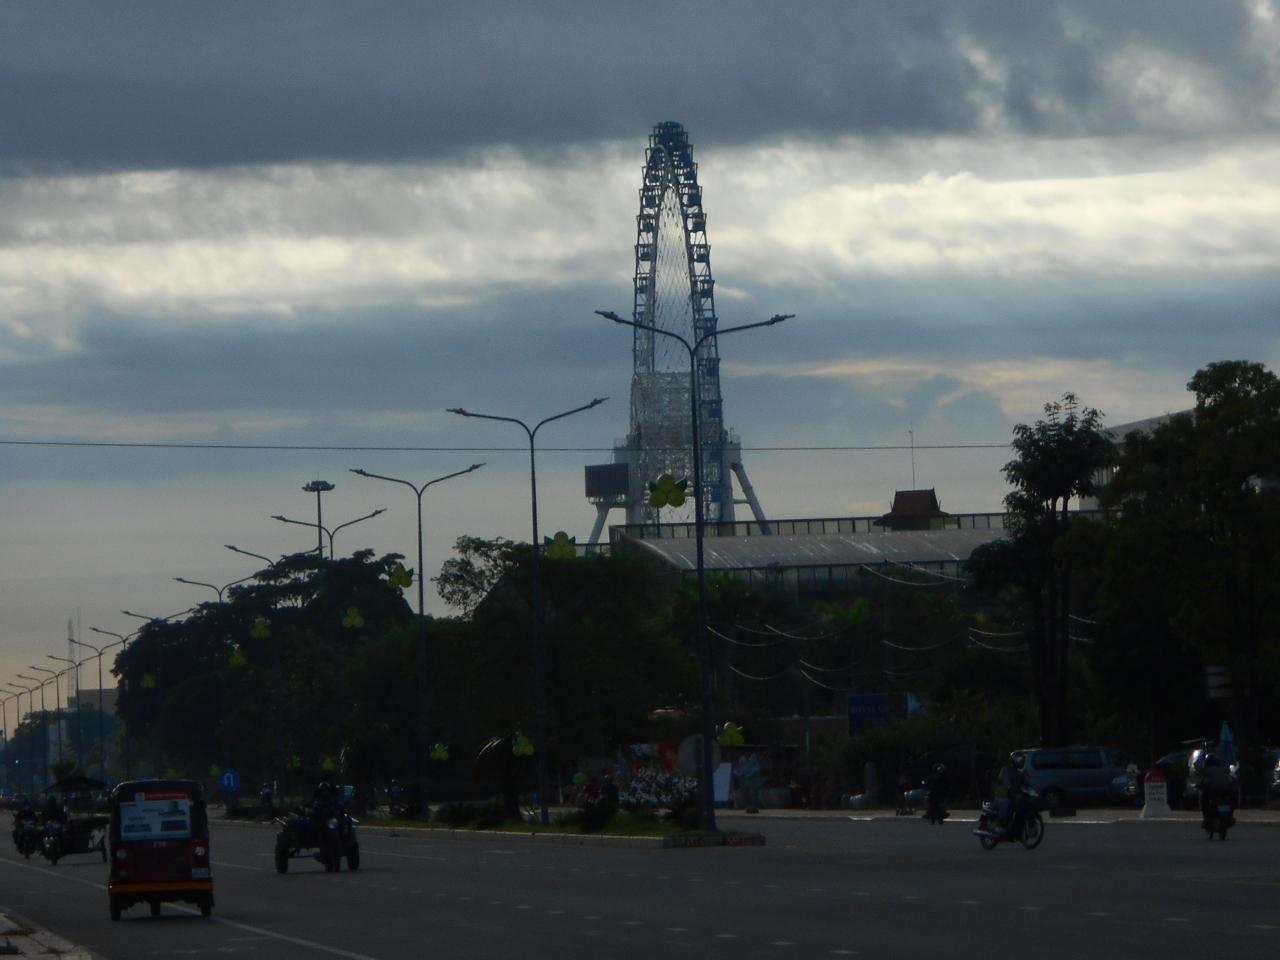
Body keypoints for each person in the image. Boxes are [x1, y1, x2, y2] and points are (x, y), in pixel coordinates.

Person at [993, 753, 1029, 837]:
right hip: (1001, 796)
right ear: (1016, 761)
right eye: (1021, 761)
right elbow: (1006, 782)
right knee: (1006, 803)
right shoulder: (1005, 770)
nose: (1022, 763)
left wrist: (1034, 790)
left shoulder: (1019, 773)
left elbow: (1026, 784)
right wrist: (1009, 787)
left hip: (1013, 797)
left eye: (1023, 761)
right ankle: (1000, 823)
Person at [1198, 752, 1234, 829]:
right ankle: (1230, 816)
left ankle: (1206, 818)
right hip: (1225, 792)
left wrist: (1199, 786)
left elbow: (1203, 782)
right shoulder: (1225, 770)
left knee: (1203, 799)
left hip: (1213, 792)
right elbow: (1230, 781)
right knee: (1231, 801)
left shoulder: (1207, 771)